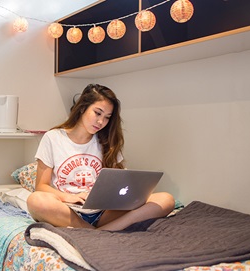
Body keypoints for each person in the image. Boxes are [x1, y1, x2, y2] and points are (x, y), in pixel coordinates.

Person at [26, 84, 175, 231]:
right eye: (98, 113)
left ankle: (101, 231)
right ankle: (92, 230)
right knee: (36, 200)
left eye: (107, 117)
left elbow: (119, 182)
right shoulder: (53, 138)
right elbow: (41, 186)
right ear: (83, 108)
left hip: (104, 212)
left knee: (166, 200)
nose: (101, 122)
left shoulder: (106, 142)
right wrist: (67, 197)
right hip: (68, 210)